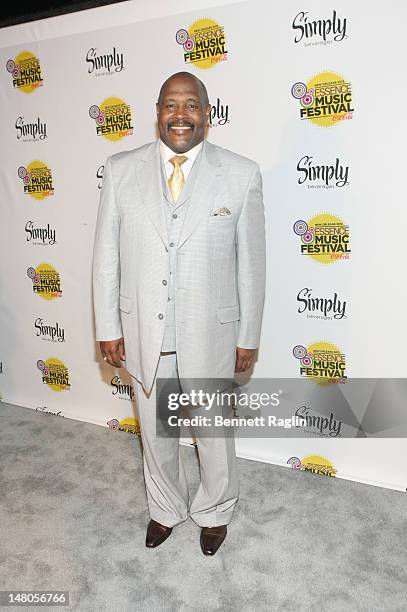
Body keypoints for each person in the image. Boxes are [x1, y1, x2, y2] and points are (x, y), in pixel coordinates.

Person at [92, 71, 266, 556]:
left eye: (192, 105)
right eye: (171, 104)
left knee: (212, 432)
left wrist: (247, 334)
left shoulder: (241, 173)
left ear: (207, 114)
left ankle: (215, 510)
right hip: (143, 330)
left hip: (210, 331)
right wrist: (108, 325)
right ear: (157, 112)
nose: (181, 115)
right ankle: (164, 508)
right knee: (153, 428)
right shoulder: (121, 168)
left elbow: (252, 266)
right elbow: (106, 257)